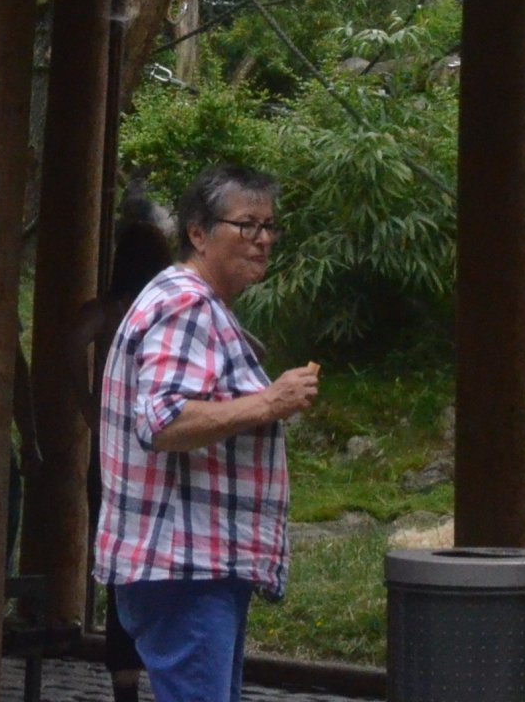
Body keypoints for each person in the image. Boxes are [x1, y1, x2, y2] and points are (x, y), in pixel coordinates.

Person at [93, 165, 320, 702]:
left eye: (269, 226)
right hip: (184, 566)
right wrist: (270, 401)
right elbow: (164, 420)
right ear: (198, 233)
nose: (263, 240)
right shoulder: (186, 303)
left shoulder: (193, 302)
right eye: (246, 225)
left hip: (193, 563)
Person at [69, 188, 177, 702]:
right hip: (167, 454)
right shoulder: (169, 311)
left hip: (111, 456)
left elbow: (67, 342)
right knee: (171, 562)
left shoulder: (110, 312)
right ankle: (169, 666)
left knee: (117, 561)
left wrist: (88, 402)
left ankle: (124, 680)